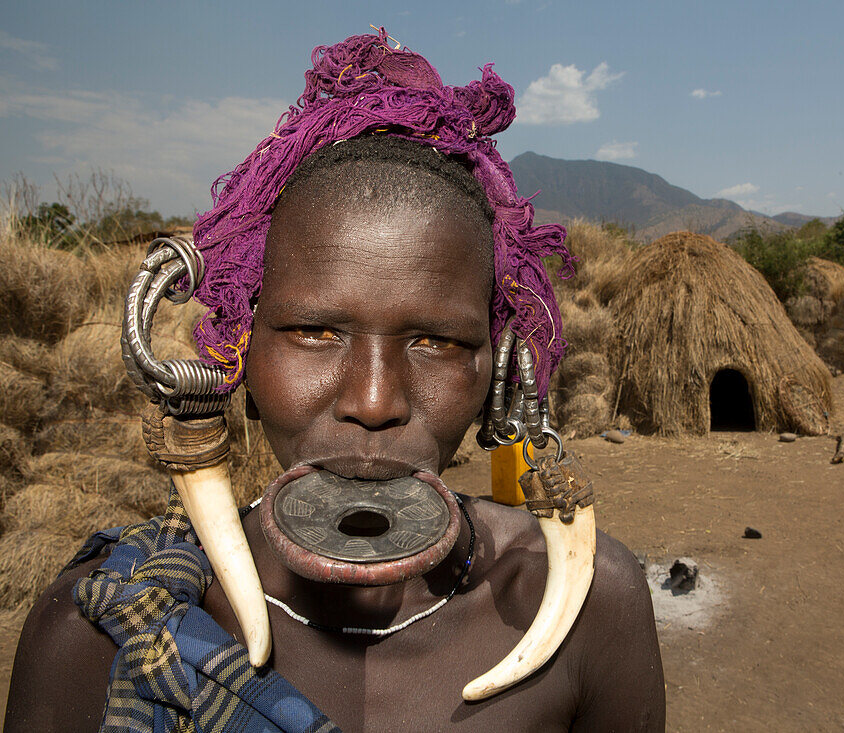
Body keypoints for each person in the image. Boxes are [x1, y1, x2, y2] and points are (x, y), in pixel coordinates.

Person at [4, 30, 664, 731]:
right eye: (315, 332)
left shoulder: (590, 610)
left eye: (435, 340)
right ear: (239, 351)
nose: (374, 401)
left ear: (498, 374)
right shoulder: (100, 634)